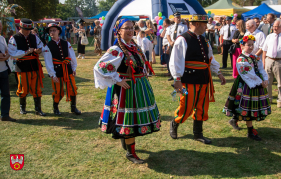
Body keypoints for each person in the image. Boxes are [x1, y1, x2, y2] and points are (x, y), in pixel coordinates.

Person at [94, 19, 160, 164]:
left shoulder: (132, 45)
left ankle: (126, 143)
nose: (130, 30)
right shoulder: (117, 49)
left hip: (138, 87)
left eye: (132, 28)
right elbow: (100, 66)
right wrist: (117, 79)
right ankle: (131, 153)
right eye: (127, 28)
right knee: (128, 120)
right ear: (119, 31)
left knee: (132, 119)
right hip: (126, 90)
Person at [169, 14, 226, 144]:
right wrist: (177, 79)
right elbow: (176, 60)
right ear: (197, 24)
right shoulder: (182, 39)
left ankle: (198, 134)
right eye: (205, 24)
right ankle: (175, 123)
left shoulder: (205, 41)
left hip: (204, 79)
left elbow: (210, 59)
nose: (207, 26)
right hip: (188, 79)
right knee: (186, 106)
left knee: (202, 107)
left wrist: (219, 73)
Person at [223, 35, 270, 141]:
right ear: (242, 46)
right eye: (248, 45)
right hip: (246, 84)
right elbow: (249, 74)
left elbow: (261, 69)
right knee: (246, 106)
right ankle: (250, 131)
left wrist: (265, 79)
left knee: (246, 106)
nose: (251, 47)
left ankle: (235, 120)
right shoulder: (241, 59)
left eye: (252, 45)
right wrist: (260, 82)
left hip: (257, 83)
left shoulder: (255, 57)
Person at [8, 18, 46, 116]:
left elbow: (41, 46)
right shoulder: (14, 38)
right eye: (26, 30)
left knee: (36, 88)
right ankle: (22, 107)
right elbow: (12, 52)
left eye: (29, 30)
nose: (28, 32)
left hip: (34, 65)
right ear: (20, 28)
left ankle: (38, 109)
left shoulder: (34, 36)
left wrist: (39, 50)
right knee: (23, 88)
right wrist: (26, 52)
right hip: (22, 66)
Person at [42, 23, 81, 115]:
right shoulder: (47, 46)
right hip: (57, 71)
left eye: (54, 30)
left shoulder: (66, 43)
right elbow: (48, 62)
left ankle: (73, 107)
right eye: (50, 31)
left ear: (58, 31)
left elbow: (71, 56)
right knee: (58, 91)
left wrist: (73, 68)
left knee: (73, 88)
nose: (52, 32)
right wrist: (52, 74)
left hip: (67, 69)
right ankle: (55, 108)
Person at [0, 21, 16, 122]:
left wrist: (6, 56)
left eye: (0, 26)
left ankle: (5, 115)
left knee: (6, 94)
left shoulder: (2, 38)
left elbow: (7, 51)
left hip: (3, 70)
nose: (0, 28)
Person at [165, 12, 188, 81]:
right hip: (172, 45)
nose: (178, 19)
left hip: (180, 46)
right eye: (177, 17)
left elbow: (185, 35)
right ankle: (172, 74)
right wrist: (170, 42)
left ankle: (180, 74)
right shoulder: (171, 27)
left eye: (179, 17)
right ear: (174, 18)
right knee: (172, 60)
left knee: (180, 60)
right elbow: (168, 35)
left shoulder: (184, 26)